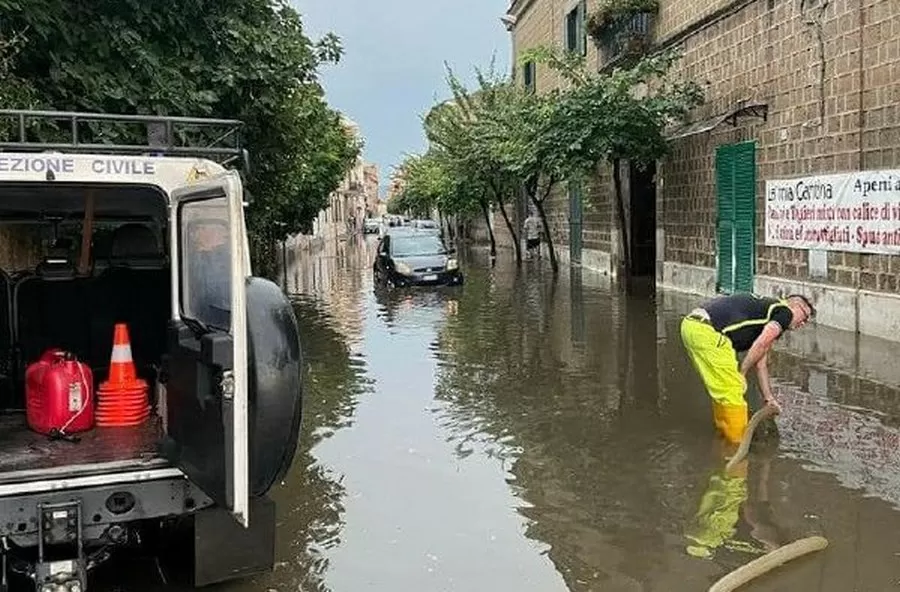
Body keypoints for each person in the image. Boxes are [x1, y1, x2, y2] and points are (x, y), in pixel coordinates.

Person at [680, 293, 815, 444]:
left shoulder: (766, 312)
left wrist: (769, 398)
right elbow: (761, 344)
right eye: (805, 316)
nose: (803, 323)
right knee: (733, 390)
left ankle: (724, 437)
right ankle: (736, 447)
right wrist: (742, 372)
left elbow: (760, 363)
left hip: (691, 326)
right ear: (795, 306)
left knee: (723, 390)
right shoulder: (785, 312)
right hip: (708, 332)